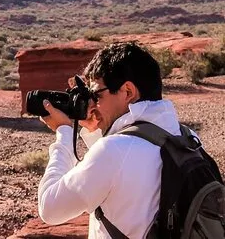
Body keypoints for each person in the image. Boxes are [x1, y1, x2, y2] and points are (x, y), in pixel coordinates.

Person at [37, 41, 180, 238]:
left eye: (96, 95)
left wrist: (64, 131)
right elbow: (122, 173)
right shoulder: (184, 136)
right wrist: (94, 130)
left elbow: (49, 208)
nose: (92, 105)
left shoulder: (113, 151)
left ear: (128, 92)